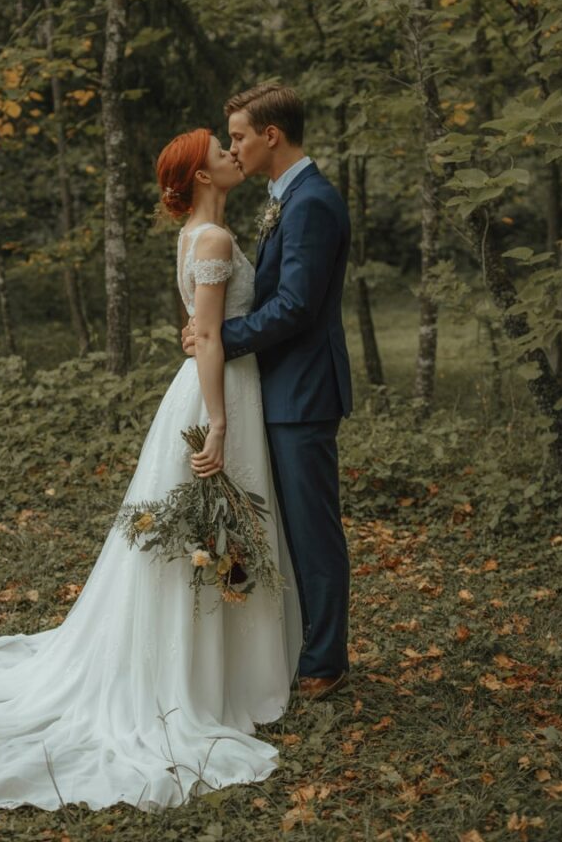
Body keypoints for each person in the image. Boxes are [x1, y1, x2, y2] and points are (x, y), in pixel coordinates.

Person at [0, 128, 303, 813]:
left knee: (206, 542)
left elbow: (207, 328)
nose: (230, 154)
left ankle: (222, 673)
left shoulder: (198, 234)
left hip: (215, 384)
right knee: (202, 539)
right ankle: (207, 682)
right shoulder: (209, 240)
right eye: (220, 151)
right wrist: (217, 422)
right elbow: (209, 334)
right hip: (217, 394)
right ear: (202, 175)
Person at [182, 84, 353, 701]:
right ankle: (293, 647)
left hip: (302, 392)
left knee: (312, 528)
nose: (234, 147)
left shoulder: (310, 203)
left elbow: (297, 308)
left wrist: (220, 335)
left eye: (239, 137)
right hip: (274, 388)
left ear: (270, 136)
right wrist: (211, 333)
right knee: (283, 526)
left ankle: (325, 660)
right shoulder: (288, 198)